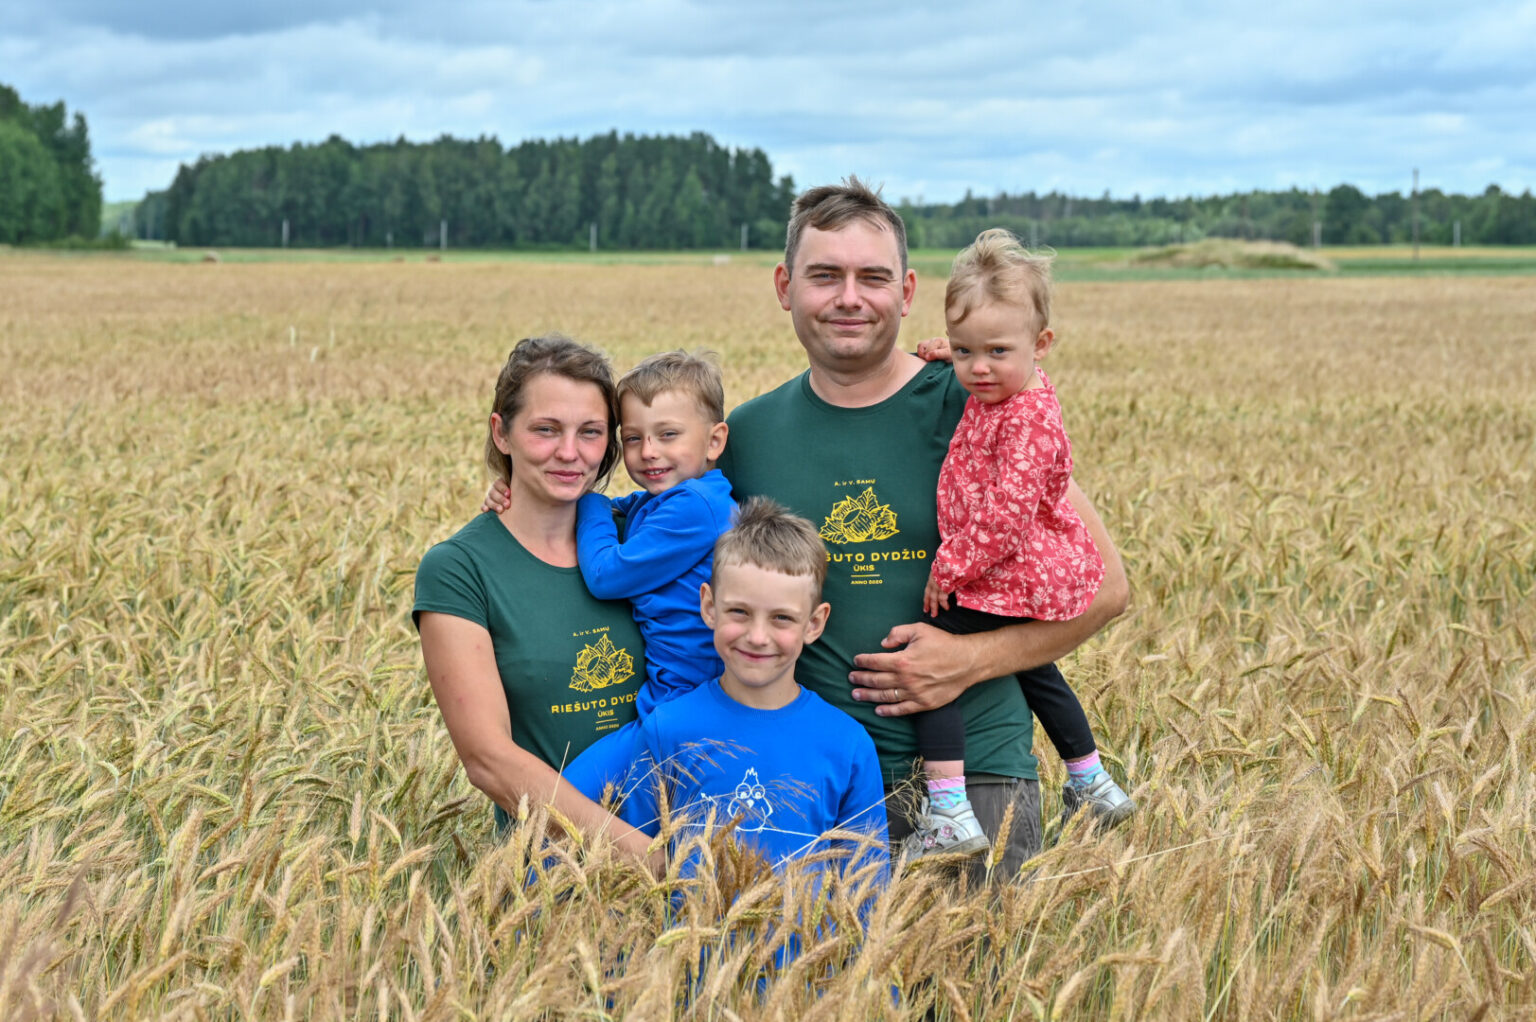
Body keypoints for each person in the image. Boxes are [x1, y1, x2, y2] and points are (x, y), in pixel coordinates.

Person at [716, 178, 1129, 881]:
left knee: (970, 993)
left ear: (906, 293)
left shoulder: (980, 397)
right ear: (785, 286)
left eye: (872, 277)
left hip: (980, 783)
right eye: (826, 276)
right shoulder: (748, 436)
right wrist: (513, 484)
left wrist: (969, 662)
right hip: (811, 783)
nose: (850, 297)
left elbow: (1106, 588)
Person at [904, 229, 1134, 860]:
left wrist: (948, 567)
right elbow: (976, 351)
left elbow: (1005, 515)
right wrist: (939, 352)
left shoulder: (1030, 418)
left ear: (1042, 345)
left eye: (996, 351)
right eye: (963, 351)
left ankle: (949, 806)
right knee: (1035, 668)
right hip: (1022, 570)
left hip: (1013, 568)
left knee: (936, 652)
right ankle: (1090, 778)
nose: (977, 368)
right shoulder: (1009, 381)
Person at [414, 334, 654, 864]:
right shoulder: (460, 570)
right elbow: (489, 759)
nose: (570, 453)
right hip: (549, 874)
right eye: (546, 430)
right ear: (502, 432)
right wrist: (651, 860)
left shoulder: (642, 538)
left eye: (590, 433)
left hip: (685, 841)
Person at [622, 497, 889, 883]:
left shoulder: (847, 745)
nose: (758, 636)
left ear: (814, 623)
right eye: (739, 612)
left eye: (782, 618)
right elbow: (637, 868)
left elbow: (867, 891)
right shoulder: (669, 729)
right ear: (709, 606)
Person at [550, 351, 738, 813]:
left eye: (668, 435)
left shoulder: (695, 508)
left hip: (686, 704)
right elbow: (630, 507)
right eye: (632, 439)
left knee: (564, 804)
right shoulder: (679, 498)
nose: (648, 452)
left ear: (714, 441)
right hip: (672, 700)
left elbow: (605, 574)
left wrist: (587, 502)